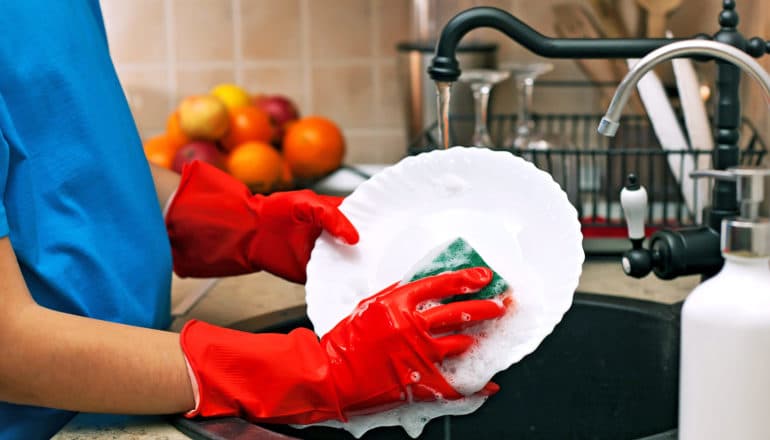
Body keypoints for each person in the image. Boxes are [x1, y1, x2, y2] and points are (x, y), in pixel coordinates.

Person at [0, 1, 505, 438]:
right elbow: (9, 346)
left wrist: (242, 223)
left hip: (134, 399)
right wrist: (311, 371)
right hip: (45, 425)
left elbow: (65, 150)